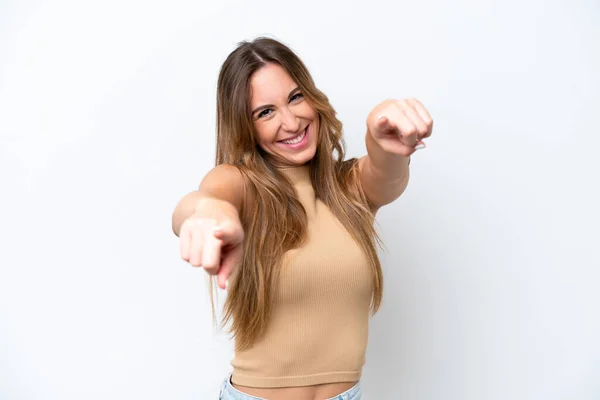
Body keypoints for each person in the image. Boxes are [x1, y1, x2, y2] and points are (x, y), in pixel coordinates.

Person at [171, 37, 433, 400]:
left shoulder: (350, 188)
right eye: (265, 112)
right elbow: (206, 198)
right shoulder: (242, 184)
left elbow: (386, 172)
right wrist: (206, 212)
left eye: (295, 97)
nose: (291, 122)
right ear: (245, 126)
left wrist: (383, 133)